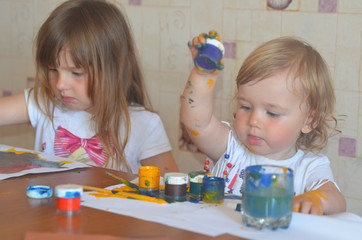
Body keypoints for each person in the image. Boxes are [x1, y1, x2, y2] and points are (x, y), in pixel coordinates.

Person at [0, 0, 179, 175]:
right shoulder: (43, 103)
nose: (60, 84)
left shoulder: (144, 125)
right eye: (53, 70)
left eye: (77, 73)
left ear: (114, 69)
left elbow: (172, 193)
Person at [181, 32, 346, 215]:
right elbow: (197, 123)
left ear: (310, 120)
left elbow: (336, 199)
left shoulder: (309, 168)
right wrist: (202, 74)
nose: (254, 121)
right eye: (246, 107)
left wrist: (315, 199)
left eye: (272, 113)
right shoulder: (230, 148)